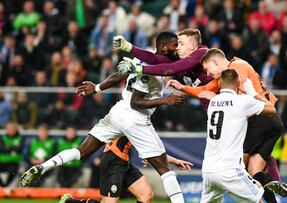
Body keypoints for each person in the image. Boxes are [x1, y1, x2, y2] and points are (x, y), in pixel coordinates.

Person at [115, 30, 282, 203]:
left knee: (239, 165)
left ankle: (272, 185)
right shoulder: (185, 59)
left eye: (181, 43)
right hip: (219, 115)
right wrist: (129, 48)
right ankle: (274, 186)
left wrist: (139, 69)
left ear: (193, 46)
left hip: (230, 115)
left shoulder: (202, 54)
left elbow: (174, 70)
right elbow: (157, 60)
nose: (177, 48)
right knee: (250, 165)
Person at [21, 31, 187, 203]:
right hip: (134, 118)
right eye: (176, 45)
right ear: (163, 47)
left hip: (118, 113)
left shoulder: (144, 58)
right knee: (165, 171)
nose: (178, 49)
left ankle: (43, 166)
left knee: (82, 151)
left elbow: (119, 75)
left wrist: (98, 88)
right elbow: (136, 103)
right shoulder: (148, 71)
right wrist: (165, 100)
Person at [167, 48, 287, 203]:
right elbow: (204, 91)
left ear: (216, 62)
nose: (208, 74)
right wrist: (183, 88)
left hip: (261, 118)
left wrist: (252, 94)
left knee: (240, 166)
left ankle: (276, 187)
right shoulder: (231, 73)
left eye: (208, 69)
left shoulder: (236, 68)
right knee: (255, 172)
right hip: (267, 120)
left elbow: (210, 93)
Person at [201, 69, 277, 202]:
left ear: (219, 84)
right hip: (231, 170)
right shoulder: (243, 101)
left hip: (208, 170)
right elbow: (272, 110)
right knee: (258, 198)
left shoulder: (213, 102)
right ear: (238, 83)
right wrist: (253, 93)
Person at [59, 136, 192, 203]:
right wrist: (174, 161)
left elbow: (152, 150)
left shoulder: (139, 118)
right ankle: (70, 201)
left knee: (146, 195)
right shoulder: (130, 118)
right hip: (112, 162)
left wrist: (150, 155)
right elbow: (152, 151)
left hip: (124, 162)